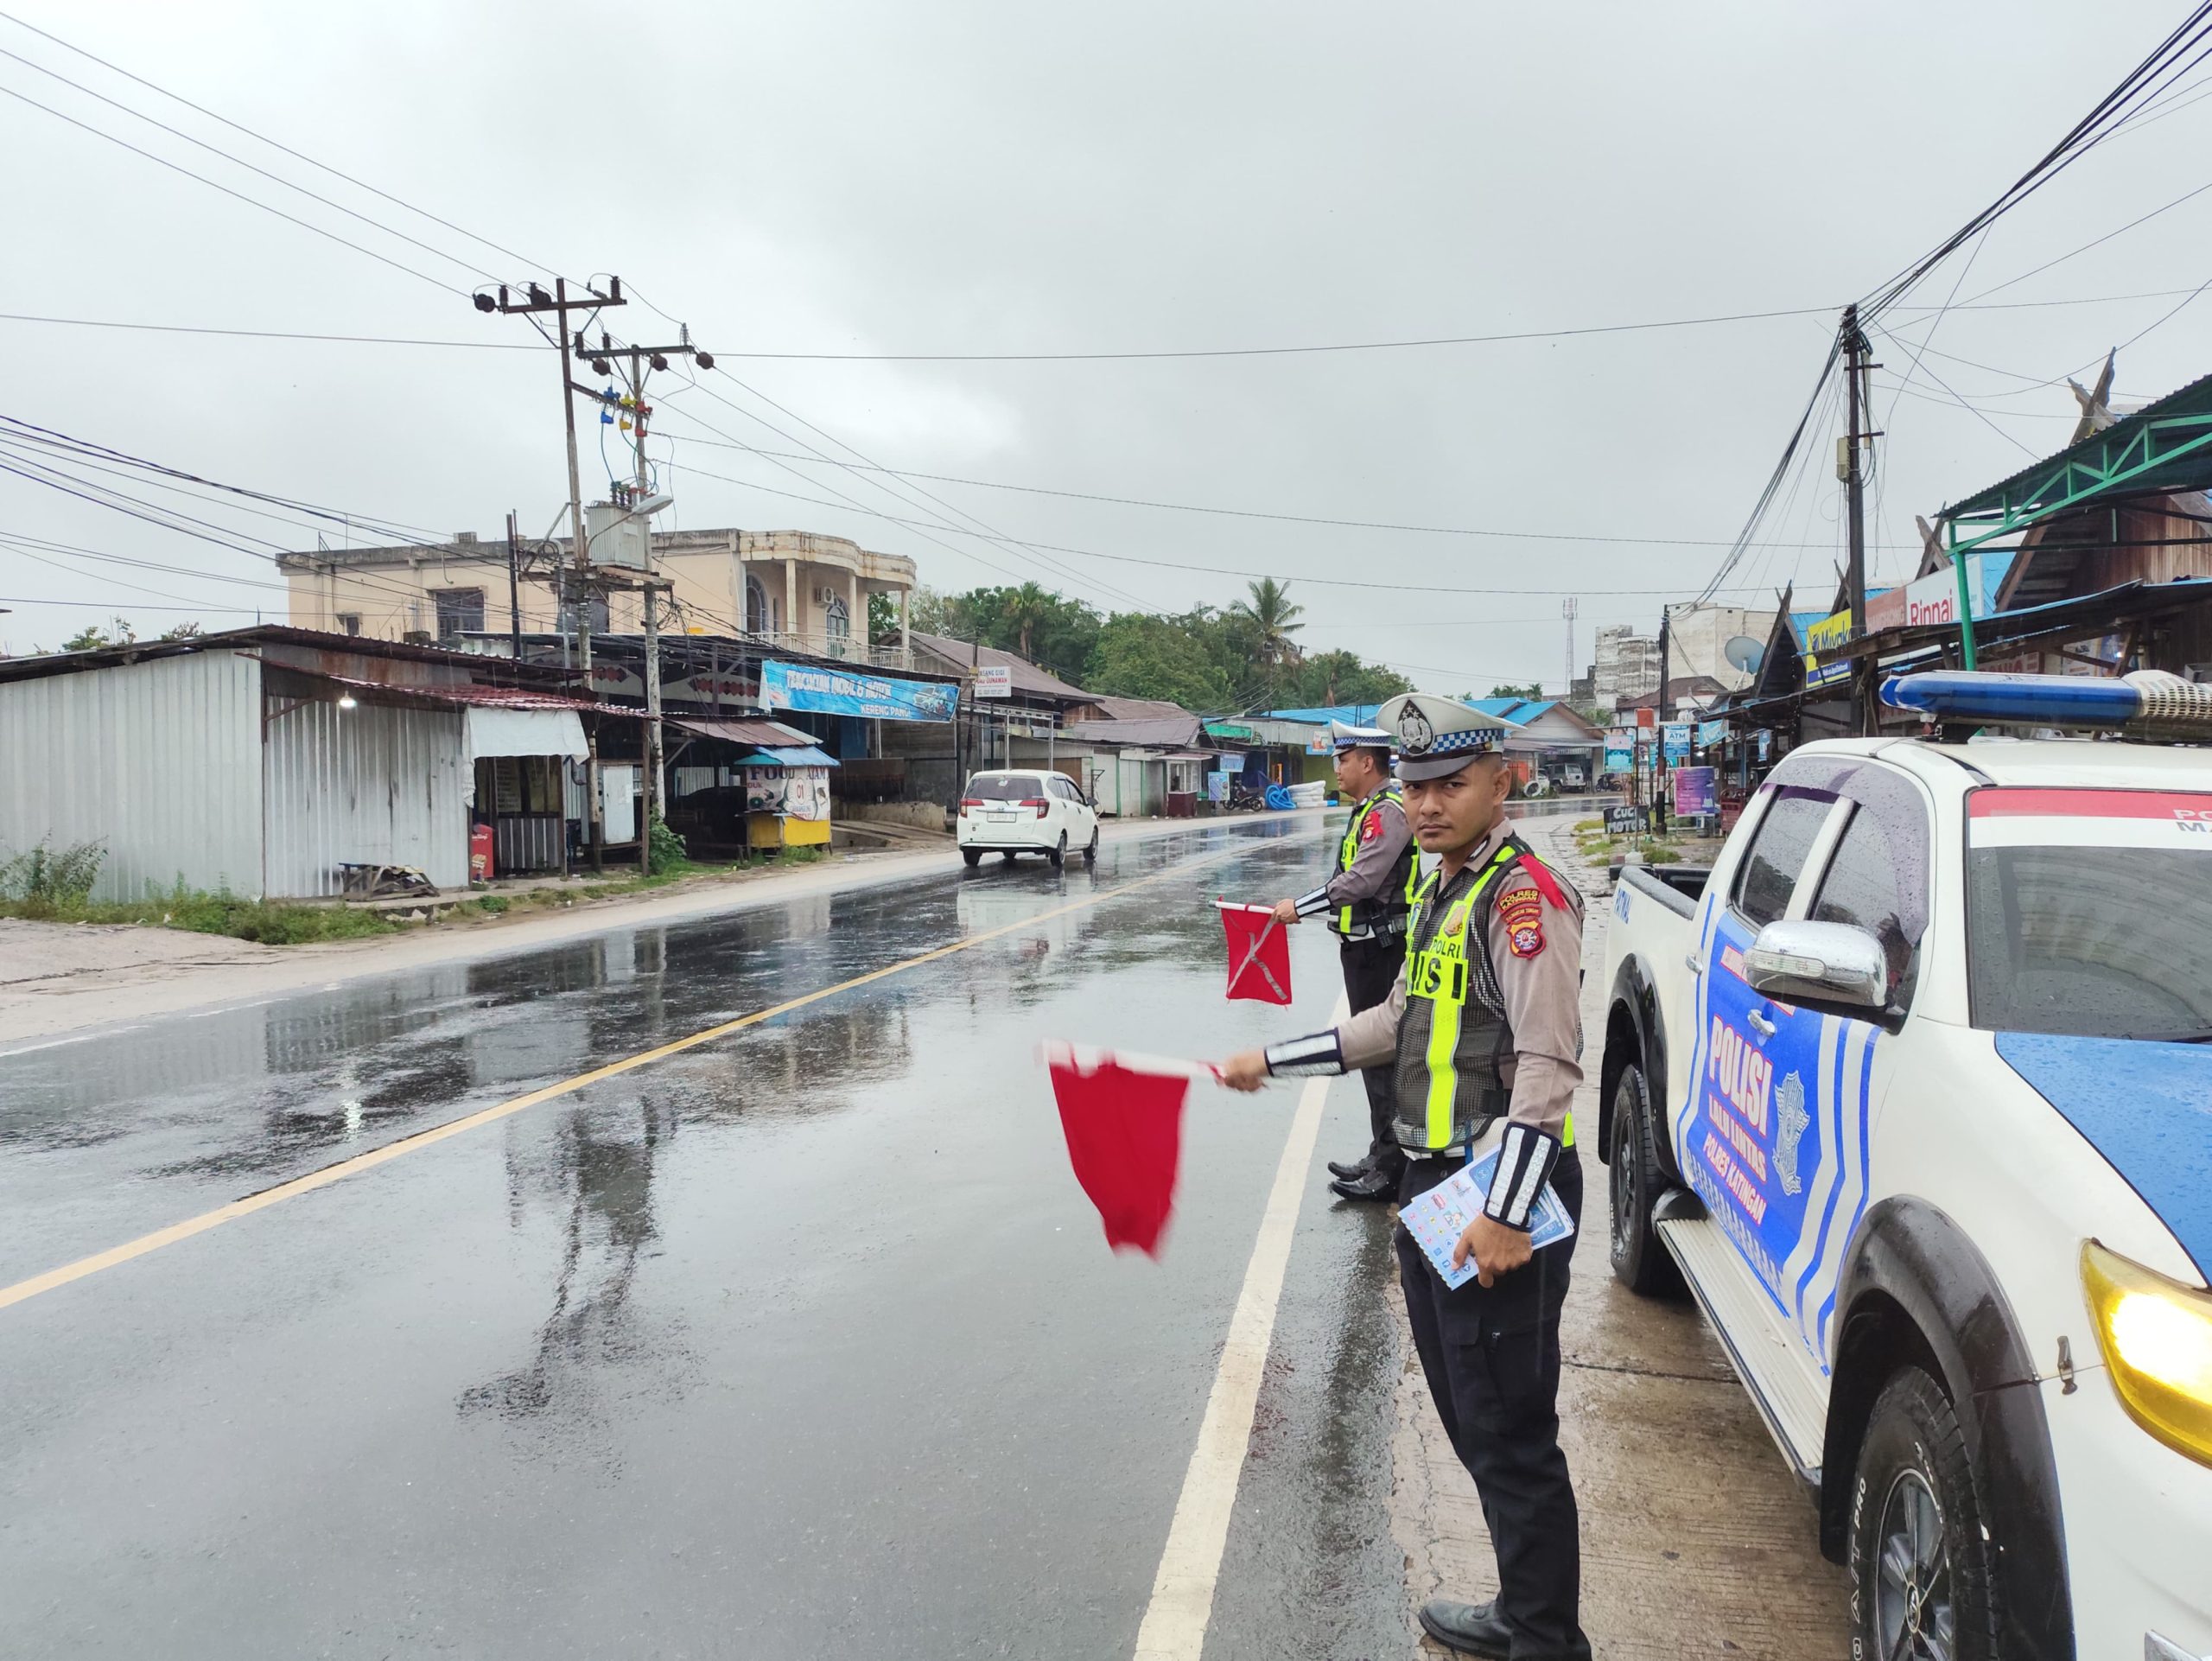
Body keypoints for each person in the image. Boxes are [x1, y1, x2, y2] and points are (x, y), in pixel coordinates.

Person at [1220, 692, 1590, 1661]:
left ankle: (1546, 1638)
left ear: (1502, 779)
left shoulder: (1521, 900)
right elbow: (1392, 1022)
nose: (1426, 804)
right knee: (1475, 1414)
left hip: (1495, 1194)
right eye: (1416, 785)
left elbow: (1548, 1067)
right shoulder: (1444, 886)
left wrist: (1507, 1215)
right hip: (1437, 1195)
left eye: (1449, 784)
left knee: (1511, 1431)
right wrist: (1278, 1056)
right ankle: (1522, 1606)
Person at [1268, 718, 1417, 1204]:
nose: (1337, 768)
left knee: (1383, 1056)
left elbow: (1363, 880)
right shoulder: (1368, 809)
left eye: (1344, 760)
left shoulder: (1388, 811)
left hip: (1382, 950)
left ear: (1368, 763)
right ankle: (1381, 1152)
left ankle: (1393, 1167)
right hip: (1363, 950)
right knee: (1374, 1060)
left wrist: (1301, 906)